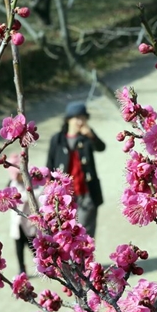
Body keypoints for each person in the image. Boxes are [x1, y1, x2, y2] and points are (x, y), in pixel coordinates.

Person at [46, 101, 105, 238]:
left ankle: (86, 258)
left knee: (85, 232)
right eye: (77, 118)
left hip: (87, 192)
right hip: (65, 196)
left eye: (83, 118)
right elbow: (49, 164)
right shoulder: (57, 139)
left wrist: (91, 135)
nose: (80, 121)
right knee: (66, 232)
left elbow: (101, 147)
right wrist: (49, 188)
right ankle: (72, 259)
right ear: (68, 119)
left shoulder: (87, 137)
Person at [7, 153, 39, 275]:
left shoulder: (32, 183)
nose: (22, 176)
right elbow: (15, 198)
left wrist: (28, 194)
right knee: (19, 248)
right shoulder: (13, 184)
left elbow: (38, 193)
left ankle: (42, 264)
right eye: (19, 174)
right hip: (18, 223)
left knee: (34, 245)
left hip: (29, 221)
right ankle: (22, 268)